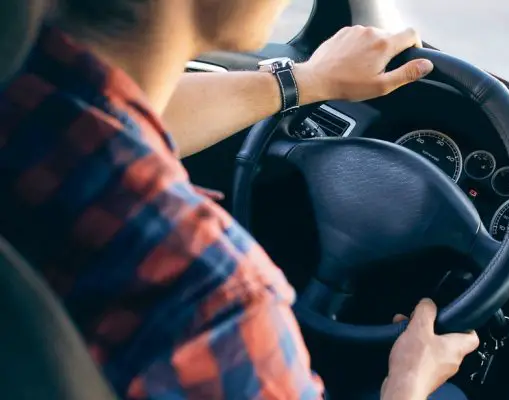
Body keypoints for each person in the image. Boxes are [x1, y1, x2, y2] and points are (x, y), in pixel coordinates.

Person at [0, 0, 480, 399]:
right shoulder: (211, 301)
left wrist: (307, 80)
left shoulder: (26, 91)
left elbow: (119, 118)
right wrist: (407, 384)